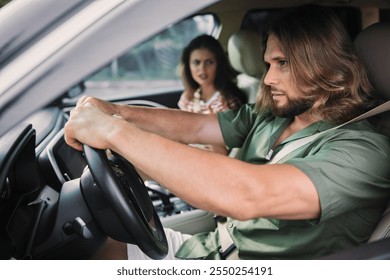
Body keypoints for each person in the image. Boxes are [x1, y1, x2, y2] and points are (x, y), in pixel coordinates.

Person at [64, 5, 390, 260]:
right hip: (212, 248)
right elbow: (194, 125)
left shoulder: (365, 152)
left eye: (283, 63)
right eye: (268, 64)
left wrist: (112, 131)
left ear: (322, 64)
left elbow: (248, 195)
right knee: (85, 249)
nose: (268, 79)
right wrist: (117, 112)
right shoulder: (273, 115)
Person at [178, 34, 247, 154]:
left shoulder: (228, 102)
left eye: (209, 62)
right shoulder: (188, 97)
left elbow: (223, 152)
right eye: (196, 62)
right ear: (188, 65)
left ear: (219, 64)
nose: (202, 69)